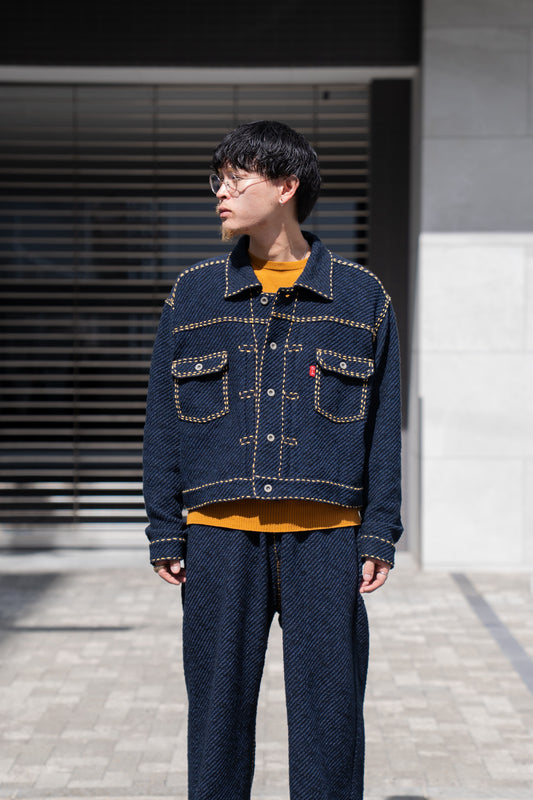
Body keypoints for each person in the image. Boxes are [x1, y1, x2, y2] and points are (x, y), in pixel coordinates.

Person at [143, 119, 402, 800]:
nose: (220, 193)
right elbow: (164, 421)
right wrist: (164, 528)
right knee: (216, 722)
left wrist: (379, 532)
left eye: (236, 179)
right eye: (217, 180)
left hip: (328, 541)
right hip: (219, 540)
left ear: (286, 187)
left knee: (330, 722)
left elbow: (382, 428)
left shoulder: (361, 297)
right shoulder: (193, 294)